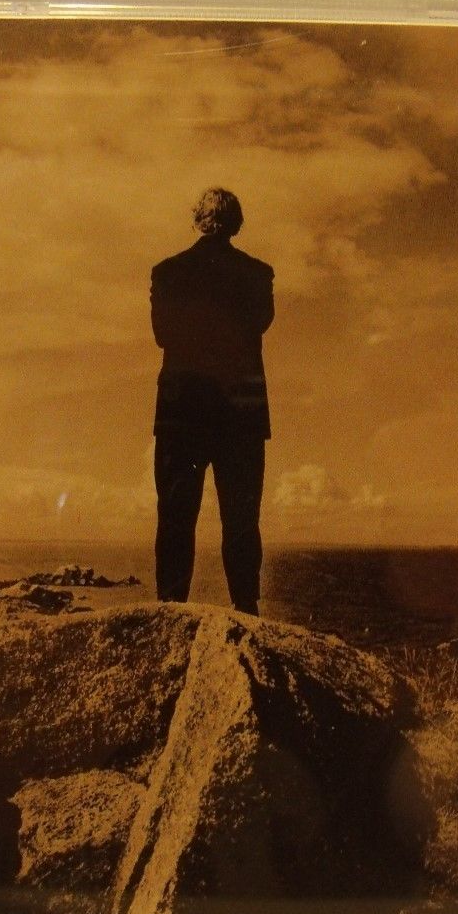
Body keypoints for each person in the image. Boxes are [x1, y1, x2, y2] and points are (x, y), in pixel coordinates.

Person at [150, 188, 274, 616]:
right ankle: (245, 604)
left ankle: (170, 606)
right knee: (241, 517)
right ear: (237, 223)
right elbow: (260, 322)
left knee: (175, 514)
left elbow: (162, 334)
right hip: (240, 413)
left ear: (197, 220)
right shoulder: (258, 274)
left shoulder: (167, 273)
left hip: (181, 411)